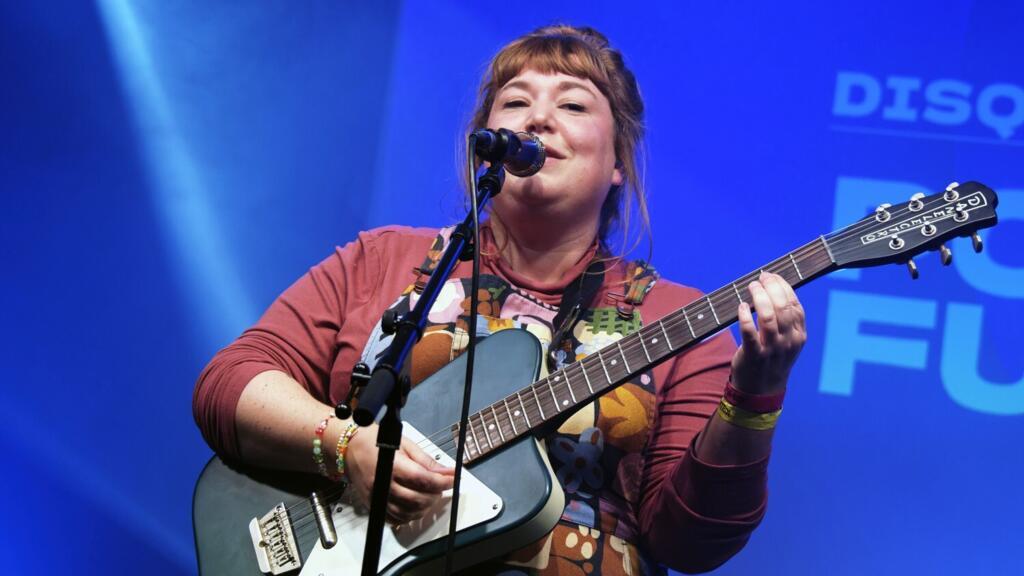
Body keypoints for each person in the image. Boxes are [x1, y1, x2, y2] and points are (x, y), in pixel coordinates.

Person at [193, 24, 806, 575]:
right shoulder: (385, 260)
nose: (537, 120)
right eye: (515, 102)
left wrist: (755, 396)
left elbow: (692, 542)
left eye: (571, 103)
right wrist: (344, 445)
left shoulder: (676, 318)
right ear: (484, 142)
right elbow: (231, 383)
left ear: (618, 160)